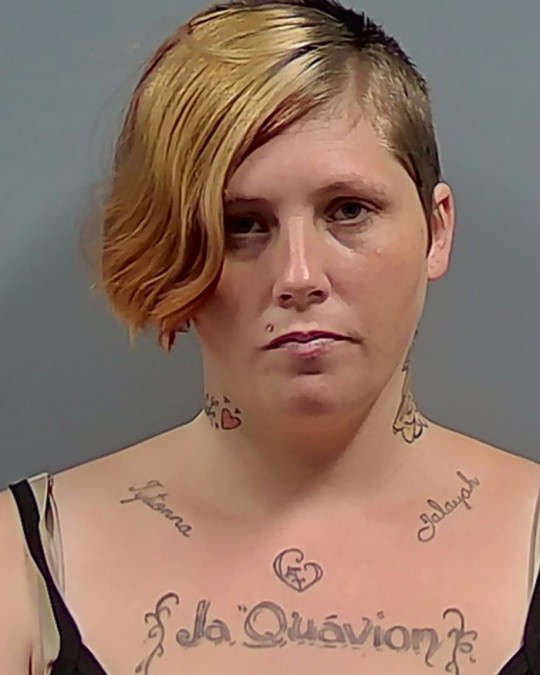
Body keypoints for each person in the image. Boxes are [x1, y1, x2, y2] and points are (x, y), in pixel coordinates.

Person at [1, 0, 539, 672]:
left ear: (437, 230)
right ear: (175, 249)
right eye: (242, 225)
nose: (299, 276)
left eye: (348, 210)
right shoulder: (19, 565)